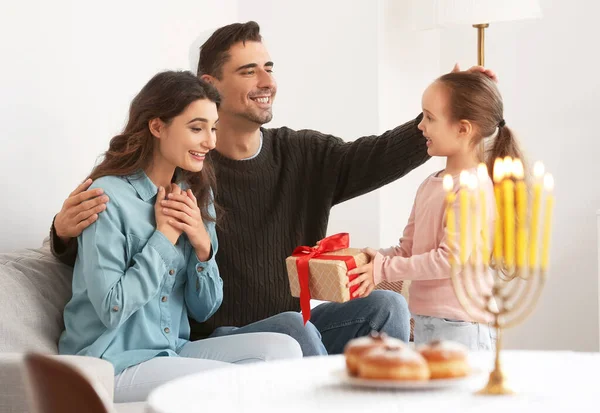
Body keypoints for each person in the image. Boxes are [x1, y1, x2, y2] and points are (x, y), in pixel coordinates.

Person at [49, 21, 497, 356]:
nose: (267, 82)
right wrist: (63, 234)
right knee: (293, 329)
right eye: (249, 72)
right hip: (223, 336)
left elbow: (376, 155)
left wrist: (449, 115)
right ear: (210, 86)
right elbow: (115, 235)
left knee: (387, 308)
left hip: (294, 324)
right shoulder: (184, 168)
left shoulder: (302, 154)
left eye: (269, 68)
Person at [57, 70, 302, 403]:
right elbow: (112, 308)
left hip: (172, 351)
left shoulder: (195, 196)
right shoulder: (107, 198)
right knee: (226, 384)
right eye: (197, 128)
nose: (211, 142)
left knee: (284, 349)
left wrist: (203, 247)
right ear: (157, 126)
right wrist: (165, 236)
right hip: (109, 363)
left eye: (213, 128)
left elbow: (204, 310)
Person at [348, 71, 525, 350]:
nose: (420, 126)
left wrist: (384, 270)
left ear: (463, 129)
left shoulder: (472, 188)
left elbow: (448, 260)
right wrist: (370, 260)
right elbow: (408, 251)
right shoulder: (430, 185)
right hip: (426, 321)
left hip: (463, 327)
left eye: (430, 118)